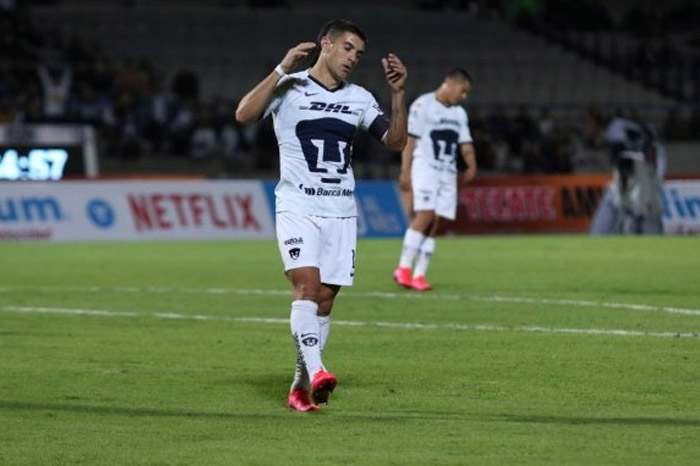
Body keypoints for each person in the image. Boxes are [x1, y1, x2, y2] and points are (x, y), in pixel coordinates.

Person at [235, 19, 407, 412]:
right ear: (325, 44)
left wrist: (398, 94)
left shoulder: (360, 98)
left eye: (359, 54)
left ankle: (300, 387)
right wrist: (281, 68)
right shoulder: (289, 87)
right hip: (298, 206)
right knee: (307, 289)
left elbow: (395, 141)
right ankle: (318, 371)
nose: (353, 58)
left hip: (341, 211)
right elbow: (244, 114)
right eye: (347, 48)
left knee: (325, 301)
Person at [393, 69, 477, 291]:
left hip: (448, 172)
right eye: (463, 91)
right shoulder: (424, 105)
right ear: (450, 83)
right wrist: (405, 171)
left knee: (435, 222)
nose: (464, 96)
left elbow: (465, 143)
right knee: (425, 215)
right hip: (426, 169)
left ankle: (419, 274)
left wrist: (471, 164)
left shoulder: (459, 113)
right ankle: (403, 268)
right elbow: (410, 139)